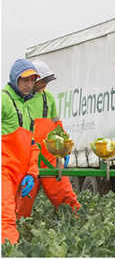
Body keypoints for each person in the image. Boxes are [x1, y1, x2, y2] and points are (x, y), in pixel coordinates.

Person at [17, 60, 80, 218]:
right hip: (27, 159)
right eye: (43, 81)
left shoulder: (48, 98)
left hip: (49, 157)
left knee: (65, 197)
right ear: (33, 80)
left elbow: (57, 125)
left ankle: (76, 224)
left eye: (47, 81)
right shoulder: (18, 100)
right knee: (21, 202)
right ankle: (14, 236)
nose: (45, 84)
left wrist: (64, 147)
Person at [2, 59, 40, 244]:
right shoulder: (3, 99)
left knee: (14, 218)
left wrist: (31, 173)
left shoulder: (25, 107)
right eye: (25, 80)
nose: (29, 84)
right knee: (6, 220)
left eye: (32, 80)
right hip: (4, 173)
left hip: (19, 175)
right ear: (14, 79)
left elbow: (32, 144)